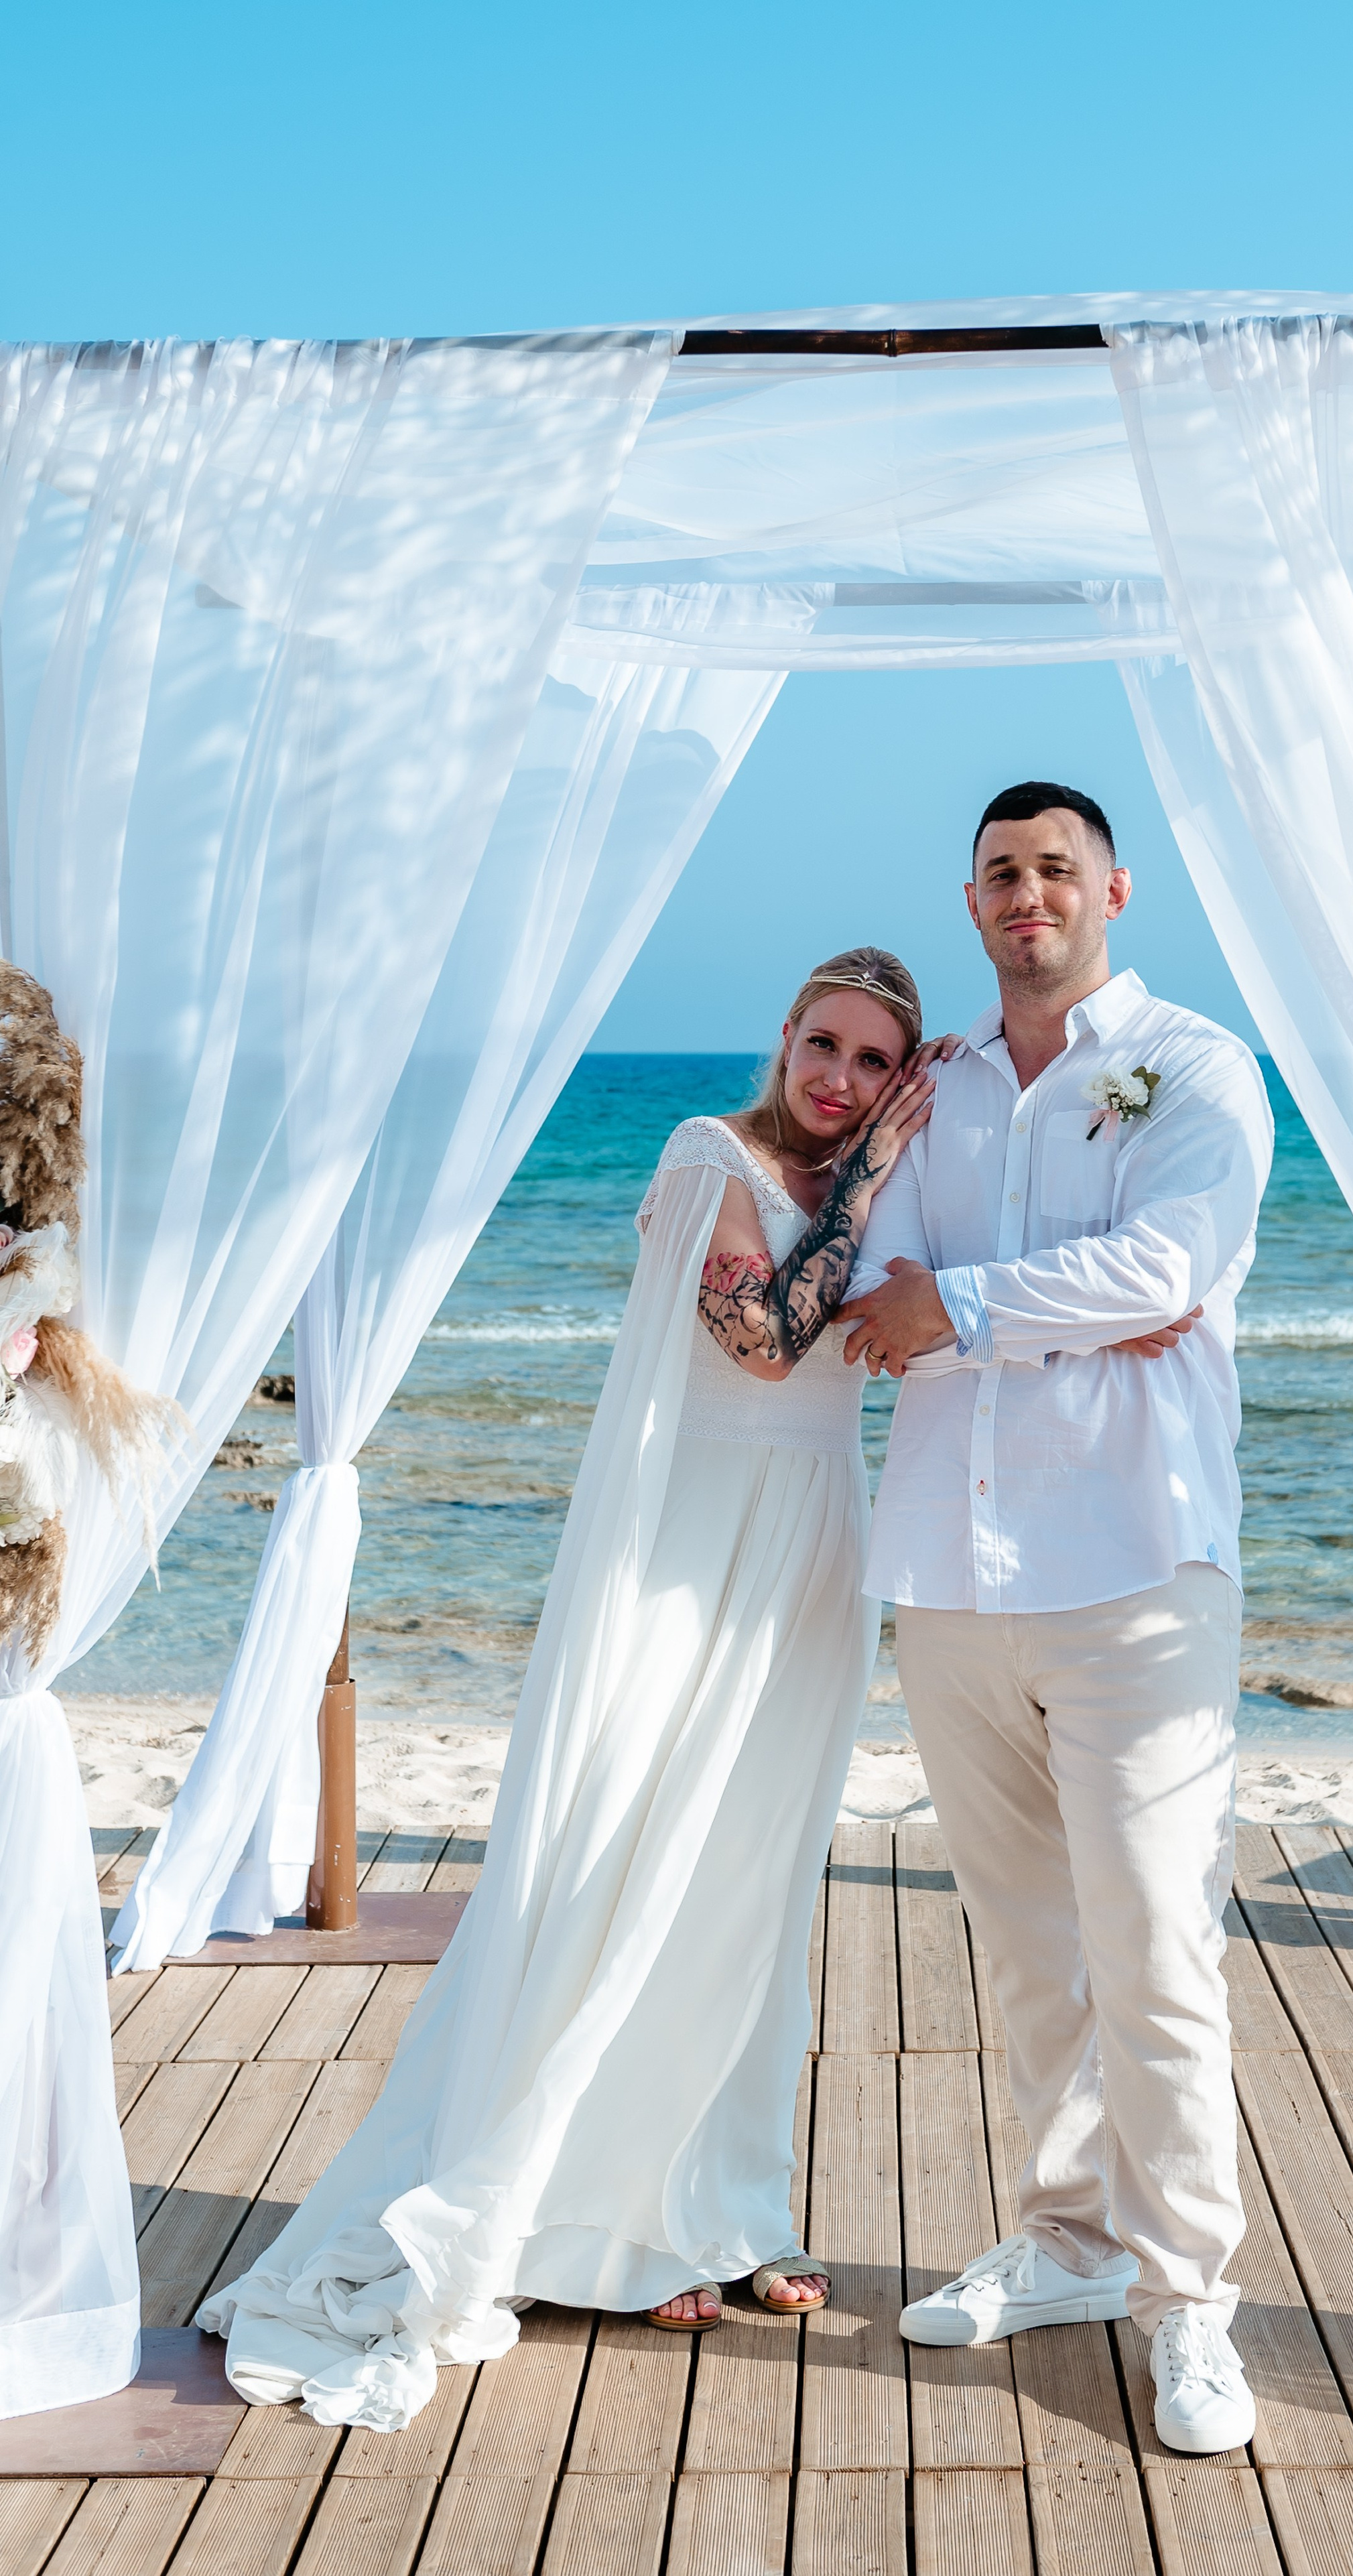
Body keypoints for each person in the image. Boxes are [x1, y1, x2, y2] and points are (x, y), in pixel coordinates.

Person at [200, 949, 943, 2421]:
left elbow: (894, 1332)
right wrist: (867, 1182)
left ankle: (716, 2206)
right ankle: (593, 2227)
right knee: (632, 1862)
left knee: (745, 1885)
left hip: (804, 1544)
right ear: (782, 1035)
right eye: (823, 1043)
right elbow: (764, 1332)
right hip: (682, 1553)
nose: (839, 1080)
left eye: (871, 1062)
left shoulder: (868, 1175)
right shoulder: (703, 1153)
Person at [840, 782, 1273, 2457]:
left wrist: (961, 1307)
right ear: (969, 902)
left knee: (1157, 1947)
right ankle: (1071, 2238)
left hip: (1135, 1572)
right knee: (1027, 1944)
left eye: (1055, 869)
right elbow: (863, 1271)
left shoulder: (1196, 1064)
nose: (1028, 894)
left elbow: (1164, 1264)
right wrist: (1041, 1311)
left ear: (1109, 889)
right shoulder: (936, 1087)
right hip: (948, 1571)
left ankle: (1191, 2305)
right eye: (1000, 873)